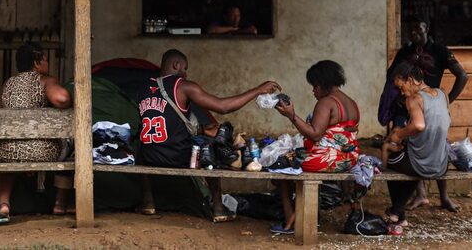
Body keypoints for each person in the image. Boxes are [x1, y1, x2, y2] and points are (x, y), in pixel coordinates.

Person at [137, 49, 279, 221]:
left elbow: (166, 124)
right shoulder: (183, 86)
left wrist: (201, 129)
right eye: (185, 68)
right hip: (179, 157)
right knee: (210, 147)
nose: (186, 73)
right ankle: (218, 208)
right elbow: (223, 107)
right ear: (176, 65)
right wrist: (257, 90)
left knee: (140, 146)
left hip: (150, 156)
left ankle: (147, 202)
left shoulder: (144, 88)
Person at [383, 19, 466, 212]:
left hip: (429, 105)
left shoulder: (440, 51)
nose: (413, 33)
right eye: (410, 30)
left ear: (426, 29)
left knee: (427, 144)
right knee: (415, 146)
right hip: (412, 107)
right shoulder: (405, 53)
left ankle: (438, 198)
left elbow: (462, 75)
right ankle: (420, 196)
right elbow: (391, 77)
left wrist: (447, 102)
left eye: (417, 29)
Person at [272, 60, 360, 235]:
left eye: (315, 86)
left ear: (324, 84)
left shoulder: (326, 102)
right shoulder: (350, 102)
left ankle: (291, 219)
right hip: (349, 159)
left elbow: (315, 134)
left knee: (280, 165)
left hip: (328, 160)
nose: (313, 90)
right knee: (291, 159)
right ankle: (299, 213)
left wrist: (291, 115)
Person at [0, 42, 73, 222]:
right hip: (40, 152)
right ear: (36, 63)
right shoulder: (45, 80)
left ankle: (3, 204)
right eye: (45, 59)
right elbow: (61, 99)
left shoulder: (8, 84)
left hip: (9, 152)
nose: (47, 63)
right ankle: (60, 204)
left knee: (5, 156)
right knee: (73, 144)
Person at [383, 60, 451, 232]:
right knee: (410, 162)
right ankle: (398, 213)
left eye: (401, 87)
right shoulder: (442, 94)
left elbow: (419, 126)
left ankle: (398, 212)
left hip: (423, 165)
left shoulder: (414, 99)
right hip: (442, 163)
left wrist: (399, 134)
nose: (401, 92)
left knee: (391, 163)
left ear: (411, 80)